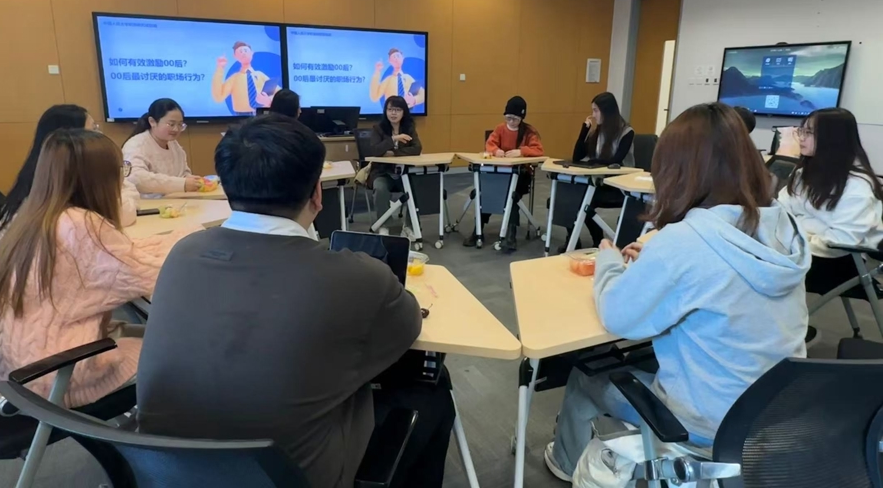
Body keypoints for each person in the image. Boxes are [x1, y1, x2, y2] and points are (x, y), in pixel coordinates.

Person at [136, 114, 454, 488]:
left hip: (166, 472)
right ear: (317, 194)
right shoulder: (357, 276)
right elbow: (406, 329)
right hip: (292, 477)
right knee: (431, 386)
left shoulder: (183, 253)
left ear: (228, 187)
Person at [545, 103, 810, 481]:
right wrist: (657, 259)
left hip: (707, 423)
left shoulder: (684, 241)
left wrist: (608, 261)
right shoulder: (783, 227)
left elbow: (618, 315)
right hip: (778, 416)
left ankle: (564, 461)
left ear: (679, 171)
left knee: (586, 376)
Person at [0, 129, 199, 407]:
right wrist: (196, 243)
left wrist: (180, 239)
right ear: (98, 177)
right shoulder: (80, 224)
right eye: (120, 170)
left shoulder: (33, 216)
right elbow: (148, 274)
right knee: (189, 350)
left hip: (19, 368)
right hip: (59, 375)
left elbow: (123, 256)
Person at [778, 107, 883, 296]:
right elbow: (781, 211)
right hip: (801, 251)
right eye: (801, 130)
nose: (801, 138)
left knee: (753, 268)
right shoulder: (803, 174)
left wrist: (796, 235)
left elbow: (841, 241)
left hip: (837, 262)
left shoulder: (857, 187)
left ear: (832, 139)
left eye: (809, 132)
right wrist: (807, 232)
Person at [0, 104, 139, 232]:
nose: (99, 134)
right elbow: (119, 214)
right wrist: (121, 186)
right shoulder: (63, 184)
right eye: (93, 129)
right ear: (73, 137)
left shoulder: (40, 171)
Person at [463, 96, 544, 251]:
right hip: (500, 174)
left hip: (520, 175)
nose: (511, 122)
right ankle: (478, 231)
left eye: (515, 119)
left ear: (522, 117)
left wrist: (521, 152)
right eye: (508, 118)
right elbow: (490, 144)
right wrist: (496, 151)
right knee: (488, 193)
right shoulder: (500, 129)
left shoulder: (529, 132)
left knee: (511, 196)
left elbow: (539, 150)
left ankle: (511, 235)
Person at [565, 92, 635, 250]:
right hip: (598, 182)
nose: (593, 115)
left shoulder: (626, 132)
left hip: (618, 186)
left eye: (596, 110)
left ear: (606, 111)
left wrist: (594, 162)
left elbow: (616, 160)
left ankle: (597, 239)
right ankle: (575, 240)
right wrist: (584, 130)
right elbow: (577, 157)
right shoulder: (597, 133)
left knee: (581, 200)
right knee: (568, 197)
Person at [366, 95, 422, 238]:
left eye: (397, 110)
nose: (393, 113)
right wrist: (393, 139)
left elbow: (416, 149)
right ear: (385, 111)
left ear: (404, 112)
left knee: (416, 188)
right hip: (382, 172)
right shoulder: (379, 128)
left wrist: (394, 153)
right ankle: (384, 225)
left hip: (404, 173)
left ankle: (409, 226)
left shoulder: (409, 128)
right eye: (390, 109)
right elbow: (375, 150)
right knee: (380, 188)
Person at [123, 98, 203, 196]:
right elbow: (136, 178)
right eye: (171, 124)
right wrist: (182, 184)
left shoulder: (173, 145)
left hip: (174, 200)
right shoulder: (136, 145)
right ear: (152, 122)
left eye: (180, 124)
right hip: (146, 203)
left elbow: (183, 173)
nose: (176, 129)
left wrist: (192, 181)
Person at [211, 41, 277, 115]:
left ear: (252, 52)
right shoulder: (234, 78)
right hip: (241, 117)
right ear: (235, 56)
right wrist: (220, 68)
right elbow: (218, 96)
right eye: (240, 52)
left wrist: (269, 101)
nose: (243, 53)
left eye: (245, 50)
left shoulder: (260, 75)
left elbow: (279, 93)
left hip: (262, 115)